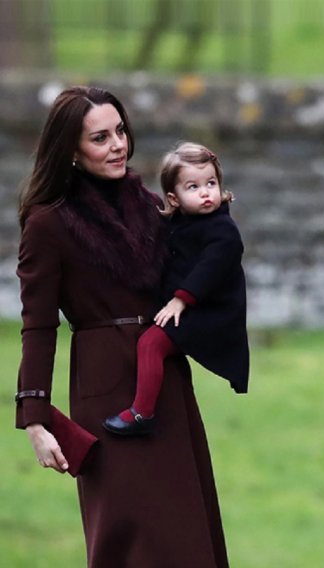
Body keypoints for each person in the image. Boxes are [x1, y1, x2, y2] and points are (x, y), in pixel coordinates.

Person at [15, 86, 229, 567]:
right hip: (103, 391)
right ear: (70, 149)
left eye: (120, 131)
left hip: (165, 384)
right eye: (99, 138)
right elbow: (38, 325)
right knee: (129, 534)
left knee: (185, 534)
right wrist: (35, 417)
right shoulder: (48, 223)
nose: (118, 145)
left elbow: (208, 253)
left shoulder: (154, 207)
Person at [103, 142, 249, 436]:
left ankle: (143, 413)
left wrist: (180, 300)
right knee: (149, 343)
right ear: (175, 197)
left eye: (211, 183)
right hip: (191, 307)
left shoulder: (223, 230)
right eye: (193, 187)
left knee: (151, 344)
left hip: (210, 313)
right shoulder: (179, 224)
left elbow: (210, 269)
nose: (206, 192)